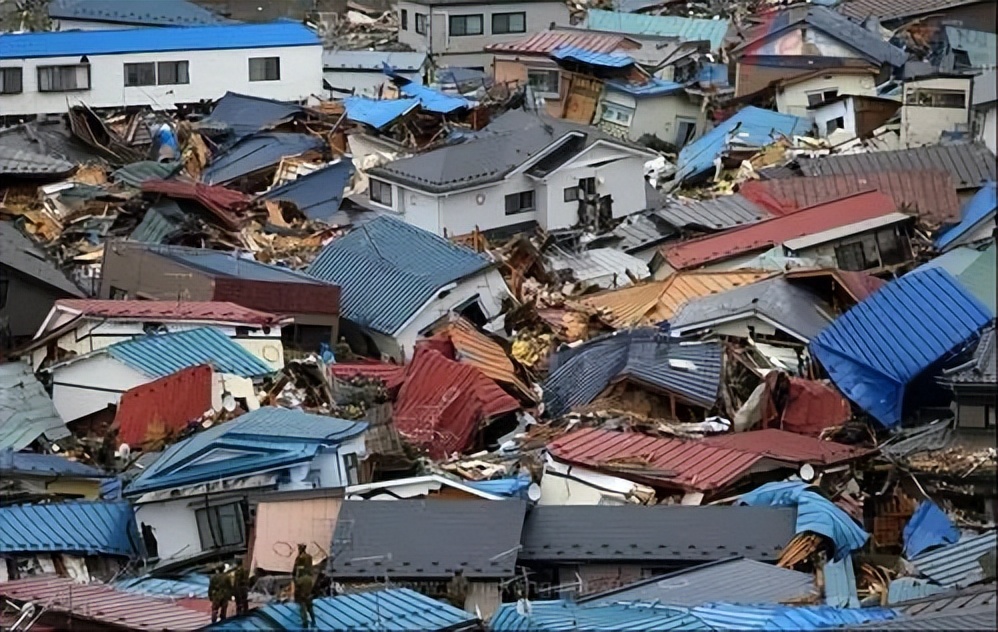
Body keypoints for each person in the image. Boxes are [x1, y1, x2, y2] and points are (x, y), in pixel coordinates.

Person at [292, 543, 315, 628]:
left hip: (302, 579)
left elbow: (296, 569)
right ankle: (313, 619)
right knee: (309, 602)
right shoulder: (309, 557)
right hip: (309, 579)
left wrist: (294, 577)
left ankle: (305, 622)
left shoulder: (300, 558)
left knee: (302, 605)